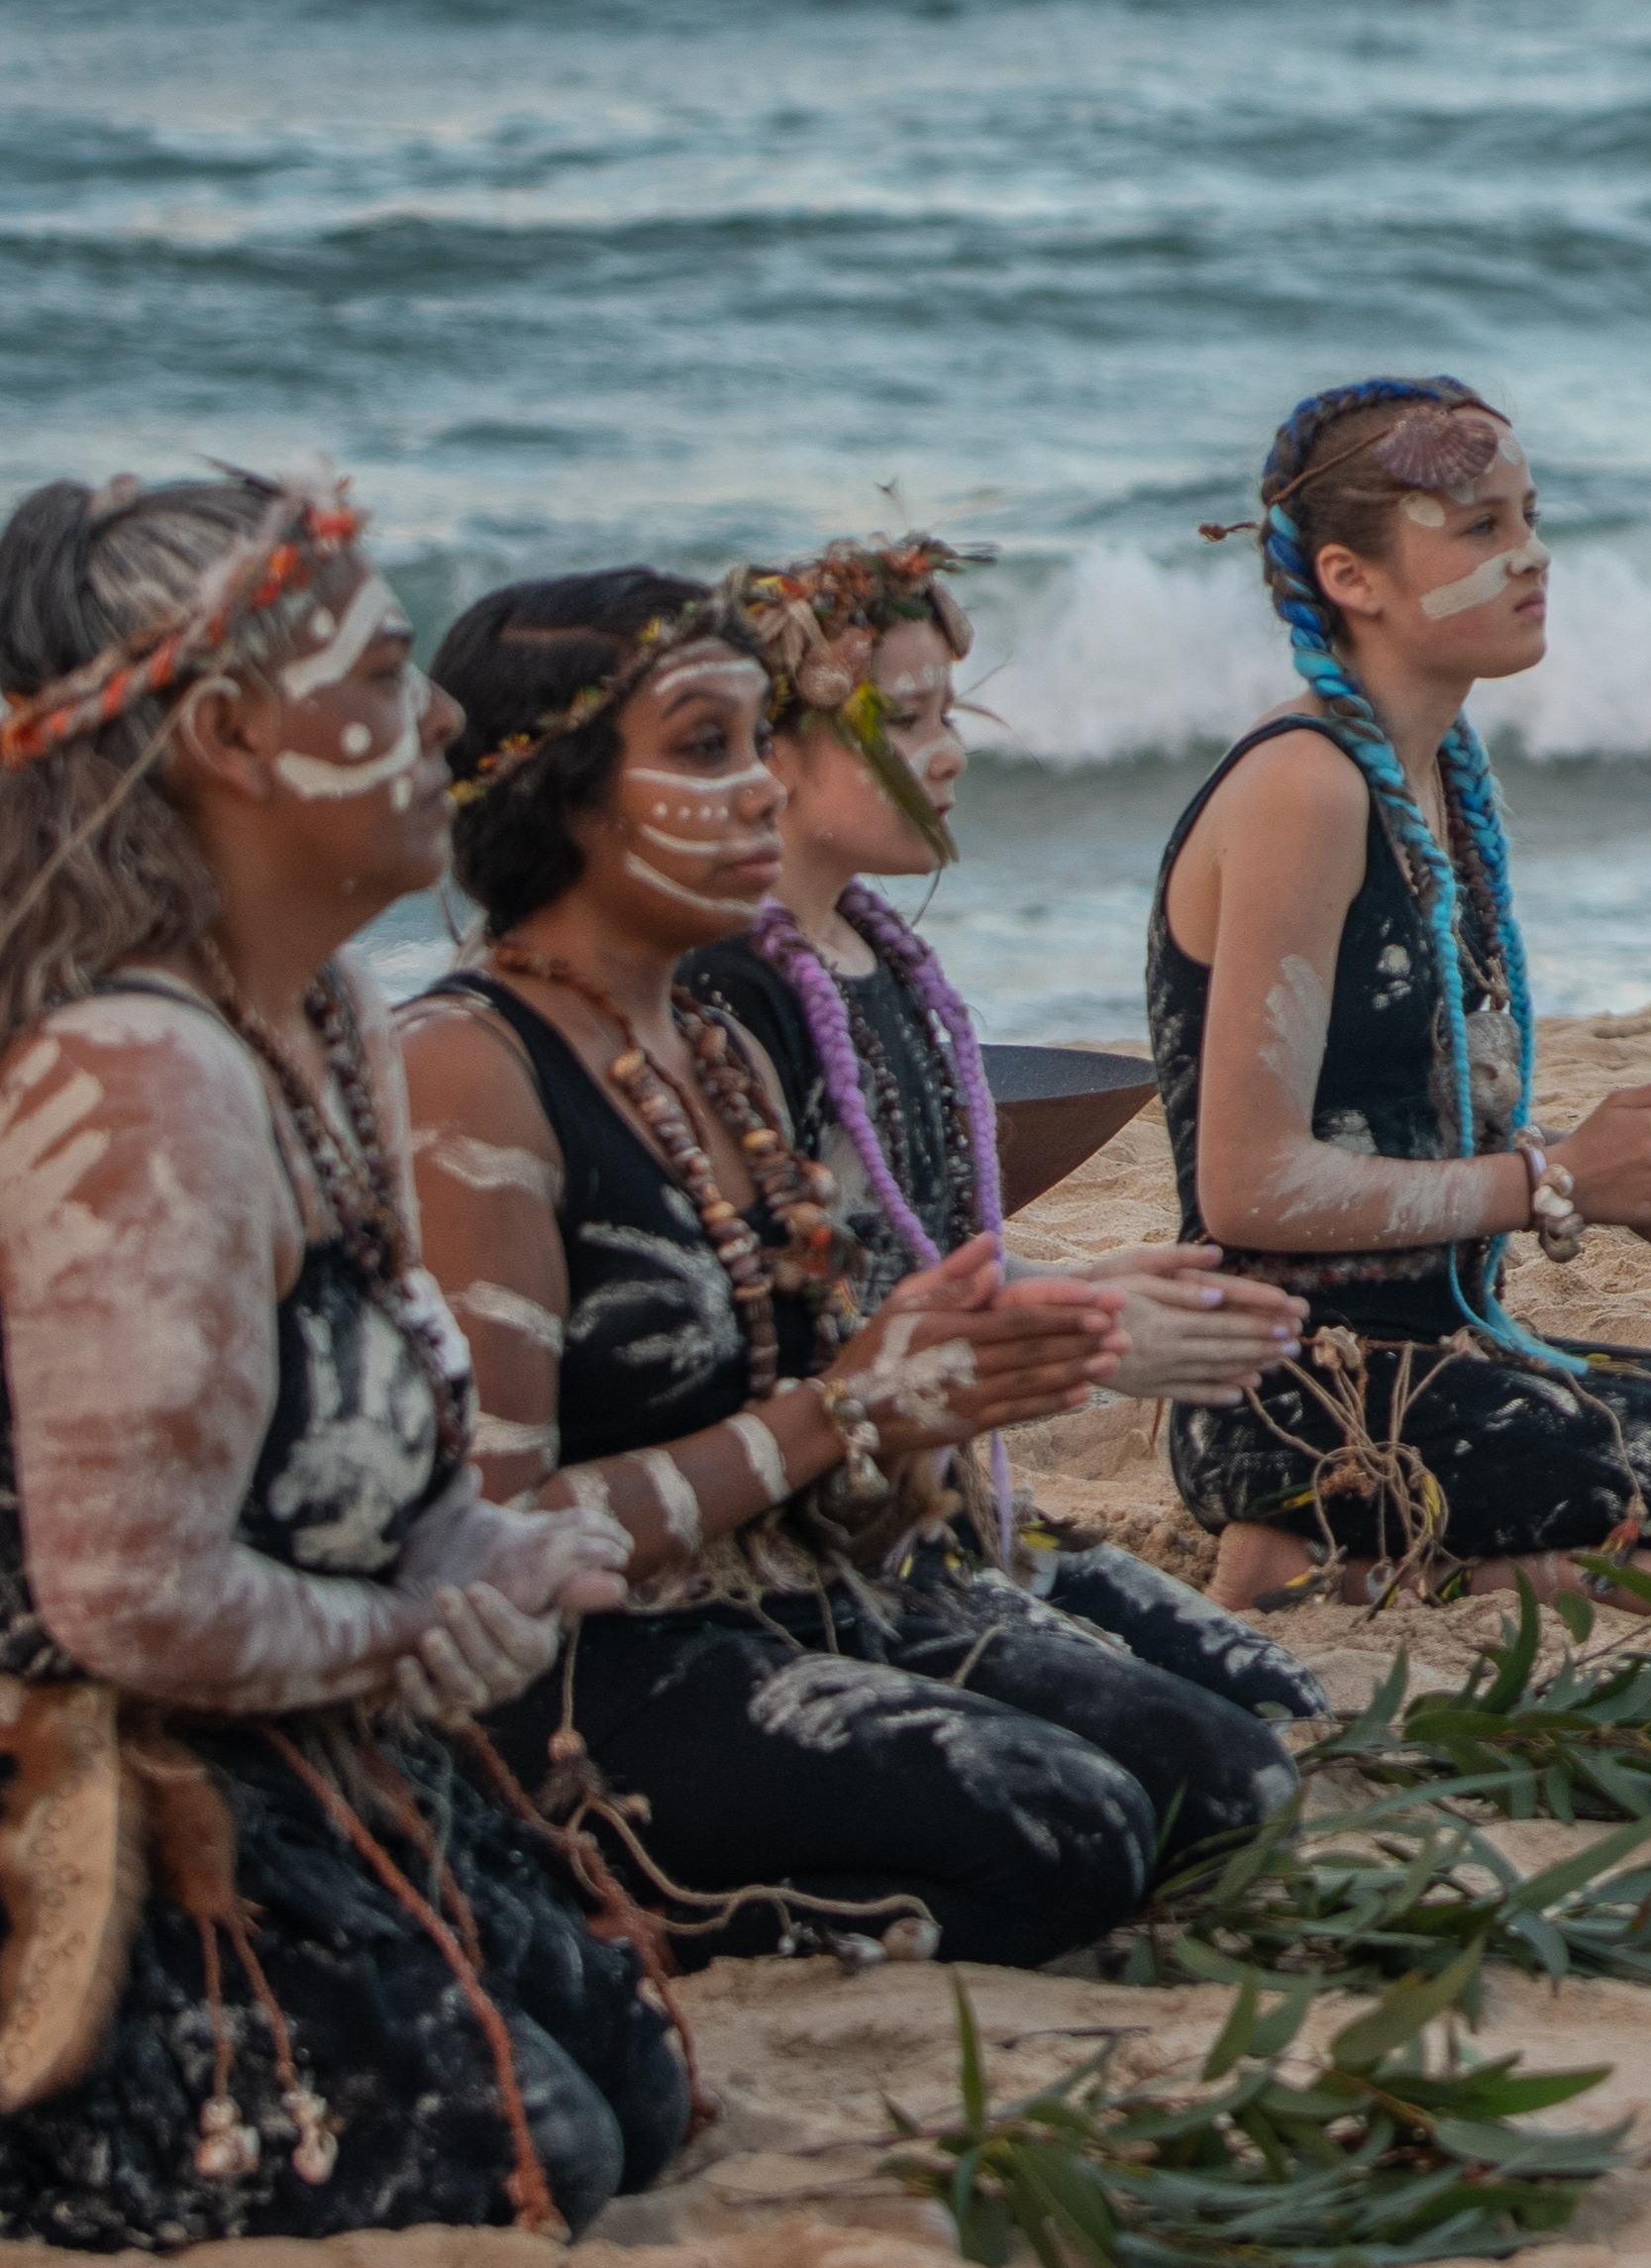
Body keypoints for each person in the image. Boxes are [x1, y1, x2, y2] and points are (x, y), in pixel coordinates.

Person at [0, 467, 684, 2245]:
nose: (434, 717)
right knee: (523, 2155)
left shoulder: (325, 1018)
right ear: (226, 736)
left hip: (227, 1734)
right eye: (378, 679)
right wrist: (410, 1632)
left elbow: (382, 1448)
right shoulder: (139, 1072)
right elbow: (129, 1601)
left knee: (625, 2081)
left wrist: (487, 1556)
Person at [401, 568, 1297, 1972]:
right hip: (577, 1673)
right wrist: (852, 1412)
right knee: (1077, 1833)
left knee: (1228, 1785)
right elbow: (485, 1541)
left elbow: (837, 1397)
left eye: (759, 740)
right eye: (707, 750)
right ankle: (592, 1906)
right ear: (559, 795)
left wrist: (971, 1375)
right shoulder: (467, 1067)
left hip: (773, 1588)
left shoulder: (708, 1053)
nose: (759, 787)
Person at [1155, 377, 1651, 1624]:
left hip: (1444, 1353)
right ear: (1352, 577)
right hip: (1289, 1392)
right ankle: (1329, 1550)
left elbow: (1392, 1125)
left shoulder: (1435, 772)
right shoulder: (1304, 789)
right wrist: (1560, 1185)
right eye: (1478, 528)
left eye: (1530, 517)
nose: (1530, 555)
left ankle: (1382, 1559)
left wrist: (1623, 1177)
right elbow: (1247, 1182)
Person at [678, 529, 1327, 1723]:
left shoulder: (879, 959)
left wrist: (1072, 1294)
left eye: (947, 719)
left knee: (1276, 1691)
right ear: (766, 748)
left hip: (935, 1508)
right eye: (906, 722)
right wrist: (1071, 1344)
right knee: (1206, 1753)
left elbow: (910, 1251)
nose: (948, 757)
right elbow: (775, 1322)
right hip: (800, 1539)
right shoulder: (713, 992)